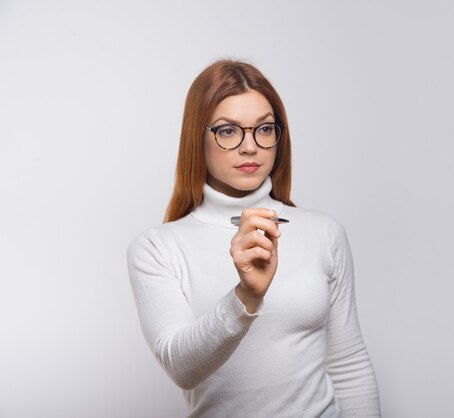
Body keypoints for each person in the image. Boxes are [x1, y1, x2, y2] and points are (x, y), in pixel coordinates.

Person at [126, 59, 381, 418]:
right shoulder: (157, 248)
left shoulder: (324, 232)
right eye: (229, 131)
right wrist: (246, 295)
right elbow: (182, 369)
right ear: (197, 138)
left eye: (264, 129)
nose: (250, 146)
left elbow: (348, 363)